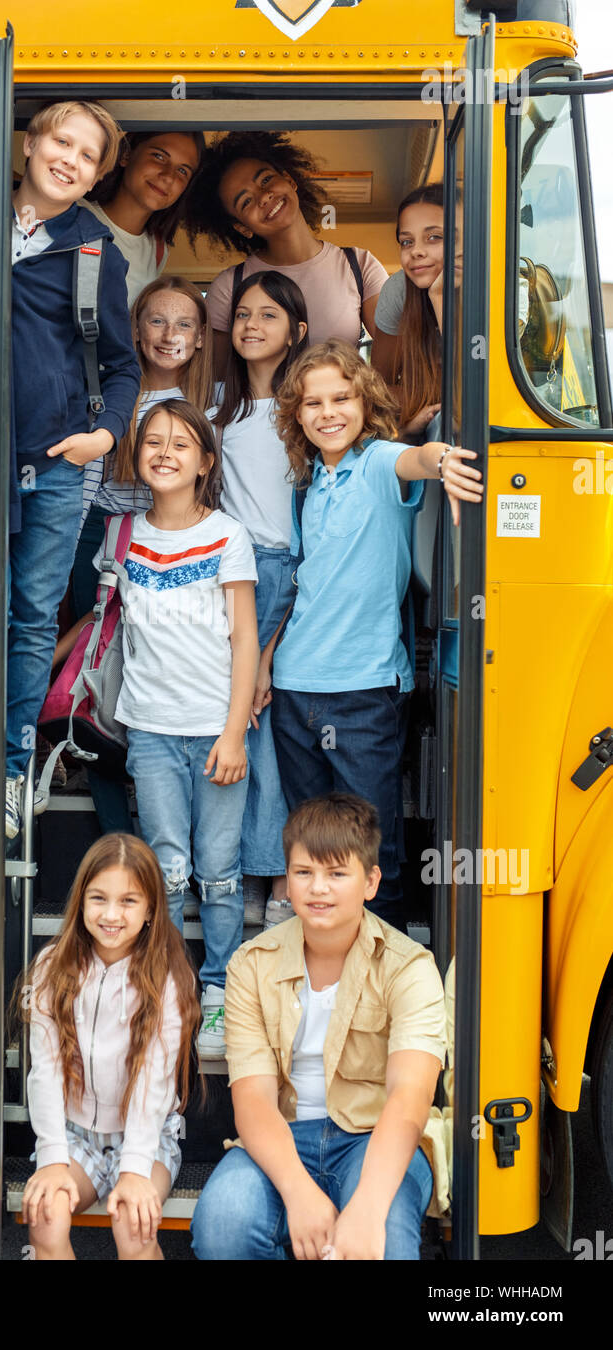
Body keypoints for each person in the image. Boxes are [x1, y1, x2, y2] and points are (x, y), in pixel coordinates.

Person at [257, 341, 483, 932]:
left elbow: (418, 459)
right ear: (297, 414)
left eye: (341, 398)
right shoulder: (307, 483)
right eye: (313, 403)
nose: (327, 412)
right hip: (294, 688)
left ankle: (378, 970)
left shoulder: (379, 461)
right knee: (311, 843)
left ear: (365, 402)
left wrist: (444, 462)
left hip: (364, 692)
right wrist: (264, 668)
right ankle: (325, 961)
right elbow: (303, 586)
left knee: (367, 845)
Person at [58, 399, 259, 1057]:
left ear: (205, 461)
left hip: (215, 731)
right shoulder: (122, 535)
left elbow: (246, 642)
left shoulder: (228, 535)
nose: (165, 453)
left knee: (221, 872)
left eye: (181, 444)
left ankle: (223, 987)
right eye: (152, 443)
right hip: (148, 728)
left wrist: (234, 735)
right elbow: (102, 622)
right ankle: (166, 985)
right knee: (166, 867)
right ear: (135, 457)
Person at [190, 792, 449, 1261]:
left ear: (371, 881)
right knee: (223, 1222)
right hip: (285, 1134)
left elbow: (409, 1099)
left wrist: (367, 1208)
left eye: (336, 874)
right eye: (304, 872)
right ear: (286, 880)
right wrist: (299, 1192)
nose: (318, 889)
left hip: (374, 1134)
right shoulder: (251, 964)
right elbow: (252, 1101)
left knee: (383, 1236)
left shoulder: (409, 967)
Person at [5, 100, 141, 838]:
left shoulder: (95, 250)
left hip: (55, 467)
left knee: (31, 620)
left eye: (89, 156)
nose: (71, 160)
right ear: (29, 142)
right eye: (63, 141)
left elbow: (121, 366)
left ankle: (10, 768)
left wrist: (102, 436)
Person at [69, 274, 215, 834]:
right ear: (135, 328)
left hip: (185, 542)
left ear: (202, 337)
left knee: (175, 675)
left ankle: (183, 840)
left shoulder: (214, 400)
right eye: (156, 319)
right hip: (109, 536)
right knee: (103, 675)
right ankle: (118, 839)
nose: (169, 333)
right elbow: (86, 479)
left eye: (184, 323)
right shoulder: (110, 394)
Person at [18, 832, 199, 1261]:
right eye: (98, 898)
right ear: (80, 902)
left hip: (147, 1136)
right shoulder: (52, 968)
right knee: (45, 1217)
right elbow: (44, 1071)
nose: (111, 915)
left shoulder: (168, 978)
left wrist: (135, 1169)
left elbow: (155, 1081)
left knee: (133, 1226)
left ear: (152, 908)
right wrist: (53, 1158)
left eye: (129, 901)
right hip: (74, 1132)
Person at [213, 269, 308, 930]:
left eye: (269, 315)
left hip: (273, 572)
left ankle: (273, 879)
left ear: (297, 332)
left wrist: (269, 647)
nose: (251, 325)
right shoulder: (218, 406)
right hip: (220, 572)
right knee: (232, 720)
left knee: (259, 723)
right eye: (243, 314)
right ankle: (245, 869)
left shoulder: (299, 412)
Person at [185, 130, 387, 374]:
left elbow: (395, 356)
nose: (264, 196)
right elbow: (218, 382)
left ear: (290, 181)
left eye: (266, 180)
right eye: (246, 201)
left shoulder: (359, 265)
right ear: (242, 228)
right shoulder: (229, 286)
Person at [84, 130, 205, 304]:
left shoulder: (157, 249)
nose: (168, 176)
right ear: (126, 155)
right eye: (159, 156)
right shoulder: (73, 212)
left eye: (182, 171)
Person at [370, 183, 445, 438]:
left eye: (434, 237)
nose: (417, 251)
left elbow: (478, 387)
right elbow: (379, 386)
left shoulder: (507, 286)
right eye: (406, 242)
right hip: (424, 427)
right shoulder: (400, 290)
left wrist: (438, 296)